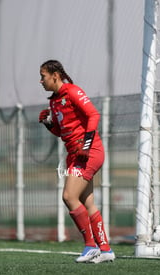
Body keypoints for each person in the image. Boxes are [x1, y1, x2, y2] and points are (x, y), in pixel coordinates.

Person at [38, 60, 115, 263]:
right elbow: (61, 131)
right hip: (75, 154)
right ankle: (105, 249)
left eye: (43, 76)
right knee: (86, 202)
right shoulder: (54, 101)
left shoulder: (72, 91)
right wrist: (48, 124)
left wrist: (87, 145)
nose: (41, 80)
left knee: (69, 196)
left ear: (55, 75)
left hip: (89, 152)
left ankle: (90, 246)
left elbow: (93, 114)